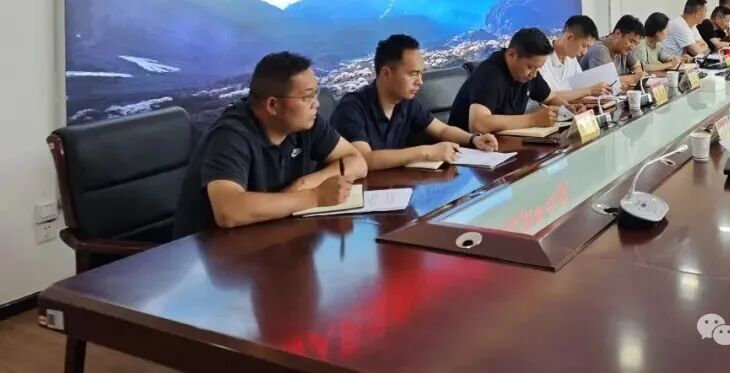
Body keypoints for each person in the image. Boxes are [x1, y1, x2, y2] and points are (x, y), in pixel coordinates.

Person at [173, 52, 367, 237]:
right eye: (307, 97)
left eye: (316, 94)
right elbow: (228, 211)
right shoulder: (231, 135)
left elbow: (356, 161)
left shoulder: (307, 123)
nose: (316, 104)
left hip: (269, 236)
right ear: (273, 105)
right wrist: (315, 196)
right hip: (208, 251)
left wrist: (305, 184)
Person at [330, 35, 499, 170]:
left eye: (421, 74)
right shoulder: (351, 108)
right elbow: (364, 159)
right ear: (386, 73)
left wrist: (474, 139)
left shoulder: (406, 103)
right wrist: (425, 152)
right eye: (413, 74)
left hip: (394, 189)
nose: (420, 82)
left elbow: (442, 130)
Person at [448, 27, 576, 133]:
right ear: (511, 55)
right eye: (530, 67)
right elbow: (478, 124)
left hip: (502, 144)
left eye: (538, 68)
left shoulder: (529, 74)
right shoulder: (489, 74)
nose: (534, 75)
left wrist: (569, 109)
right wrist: (533, 120)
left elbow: (550, 98)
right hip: (466, 150)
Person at [538, 15, 611, 102]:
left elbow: (579, 89)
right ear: (569, 37)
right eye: (584, 46)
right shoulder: (540, 56)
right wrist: (589, 91)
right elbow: (548, 97)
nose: (585, 52)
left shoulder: (572, 58)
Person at [581, 14, 646, 89]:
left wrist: (625, 80)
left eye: (636, 43)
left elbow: (637, 68)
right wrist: (633, 78)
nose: (632, 47)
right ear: (617, 33)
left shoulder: (626, 48)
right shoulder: (599, 49)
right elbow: (606, 82)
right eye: (631, 41)